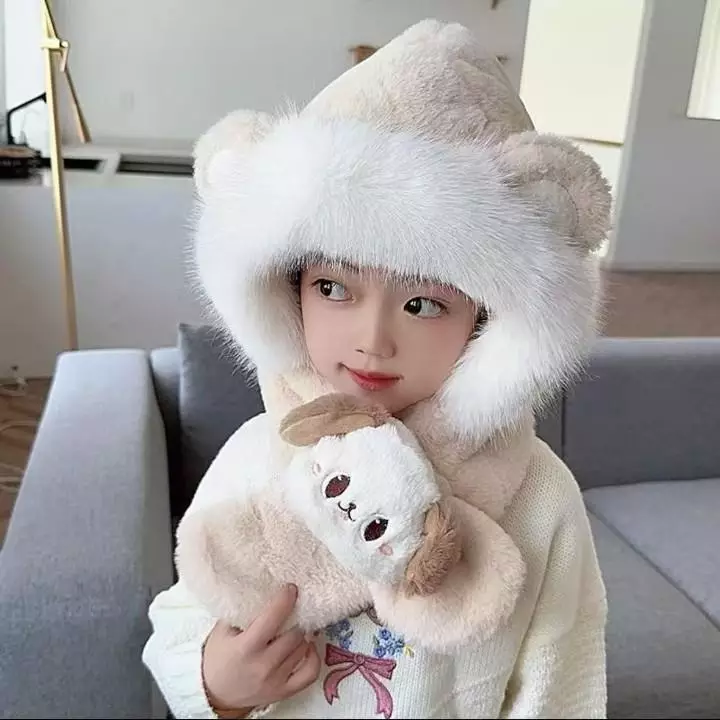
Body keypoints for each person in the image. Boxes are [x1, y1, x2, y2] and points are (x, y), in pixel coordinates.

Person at [142, 18, 612, 719]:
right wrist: (217, 681)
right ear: (288, 290)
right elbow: (179, 623)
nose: (371, 341)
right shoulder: (257, 455)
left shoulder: (542, 497)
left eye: (423, 303)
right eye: (334, 287)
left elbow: (562, 683)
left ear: (488, 322)